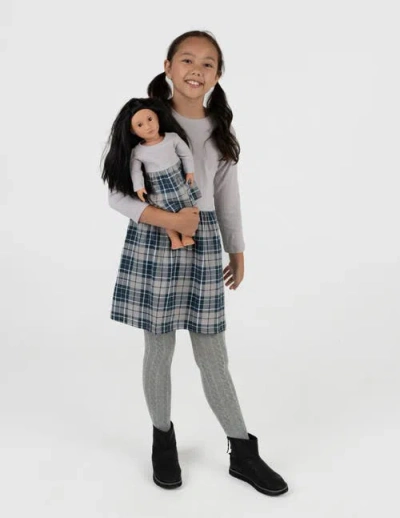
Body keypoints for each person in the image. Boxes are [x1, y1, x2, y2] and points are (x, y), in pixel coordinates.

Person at [102, 30, 289, 496]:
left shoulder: (221, 129)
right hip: (156, 238)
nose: (196, 70)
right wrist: (169, 218)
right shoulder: (145, 119)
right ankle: (162, 439)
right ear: (167, 66)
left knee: (212, 352)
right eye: (187, 60)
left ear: (218, 75)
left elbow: (227, 194)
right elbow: (117, 195)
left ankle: (242, 451)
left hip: (203, 243)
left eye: (208, 63)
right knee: (159, 349)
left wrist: (236, 249)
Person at [103, 97, 202, 249]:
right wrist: (139, 187)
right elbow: (135, 170)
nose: (148, 126)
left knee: (186, 204)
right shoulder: (137, 151)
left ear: (157, 117)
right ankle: (174, 239)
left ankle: (186, 236)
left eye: (150, 119)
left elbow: (186, 155)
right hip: (157, 186)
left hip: (178, 179)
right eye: (140, 125)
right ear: (133, 131)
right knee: (165, 210)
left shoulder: (172, 138)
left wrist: (190, 171)